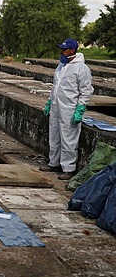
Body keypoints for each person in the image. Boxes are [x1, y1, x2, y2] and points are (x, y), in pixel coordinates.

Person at [41, 38, 94, 180]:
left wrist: (80, 109)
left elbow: (86, 90)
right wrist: (49, 102)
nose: (62, 52)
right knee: (54, 135)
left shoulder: (81, 69)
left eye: (64, 49)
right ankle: (54, 162)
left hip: (70, 108)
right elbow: (56, 87)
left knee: (68, 138)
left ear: (72, 50)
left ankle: (68, 168)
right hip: (57, 106)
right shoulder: (61, 66)